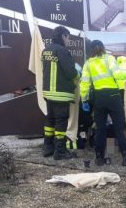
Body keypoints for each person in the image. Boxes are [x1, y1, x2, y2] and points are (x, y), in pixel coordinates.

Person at [80, 40, 126, 166]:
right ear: (103, 48)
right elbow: (118, 74)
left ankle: (99, 158)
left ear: (91, 49)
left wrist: (84, 100)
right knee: (119, 128)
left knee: (100, 129)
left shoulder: (88, 64)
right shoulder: (109, 59)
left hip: (99, 97)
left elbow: (84, 84)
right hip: (113, 96)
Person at [41, 26, 79, 160]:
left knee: (50, 119)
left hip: (48, 93)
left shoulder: (46, 50)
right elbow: (70, 73)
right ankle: (60, 151)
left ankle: (48, 147)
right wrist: (78, 76)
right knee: (61, 121)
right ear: (63, 36)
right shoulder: (62, 51)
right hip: (61, 93)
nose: (68, 41)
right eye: (68, 37)